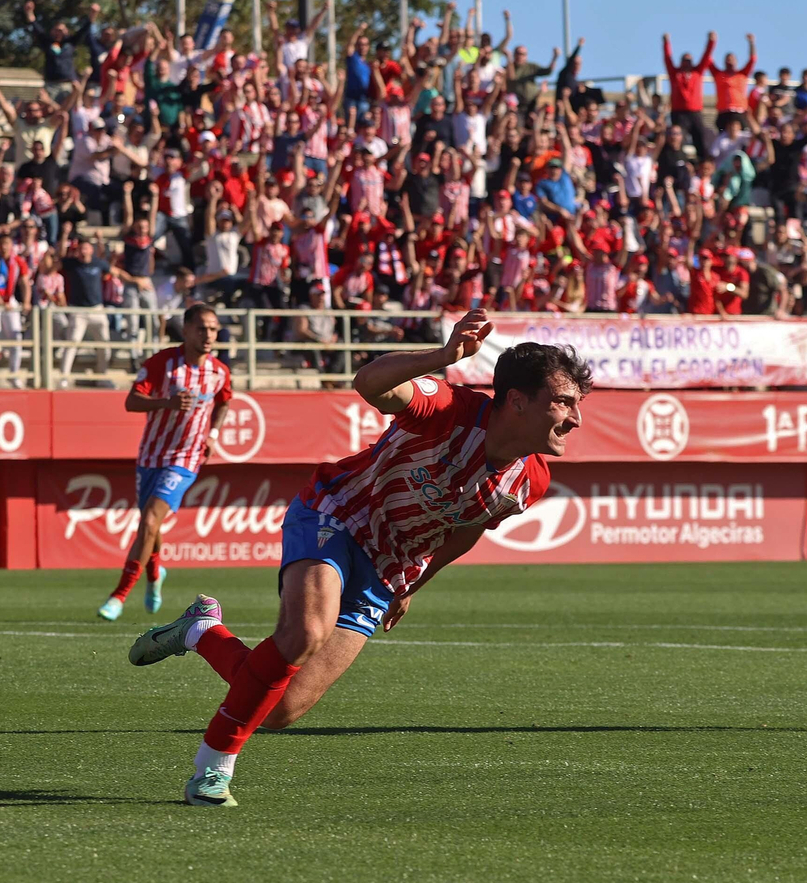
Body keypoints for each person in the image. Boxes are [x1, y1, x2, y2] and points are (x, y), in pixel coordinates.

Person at [126, 311, 591, 806]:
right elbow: (368, 383)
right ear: (517, 401)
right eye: (564, 402)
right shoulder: (451, 407)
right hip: (336, 516)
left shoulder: (531, 481)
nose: (576, 418)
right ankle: (211, 771)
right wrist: (441, 358)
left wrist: (413, 584)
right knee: (305, 634)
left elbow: (466, 529)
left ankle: (200, 631)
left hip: (388, 570)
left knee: (282, 708)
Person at [97, 304, 231, 622]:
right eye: (202, 328)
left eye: (213, 329)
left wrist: (212, 434)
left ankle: (119, 595)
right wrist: (165, 402)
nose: (209, 335)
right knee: (150, 524)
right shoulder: (164, 364)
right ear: (185, 331)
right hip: (151, 456)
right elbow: (131, 401)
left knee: (149, 519)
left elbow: (224, 401)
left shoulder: (219, 371)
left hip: (186, 459)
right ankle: (156, 573)